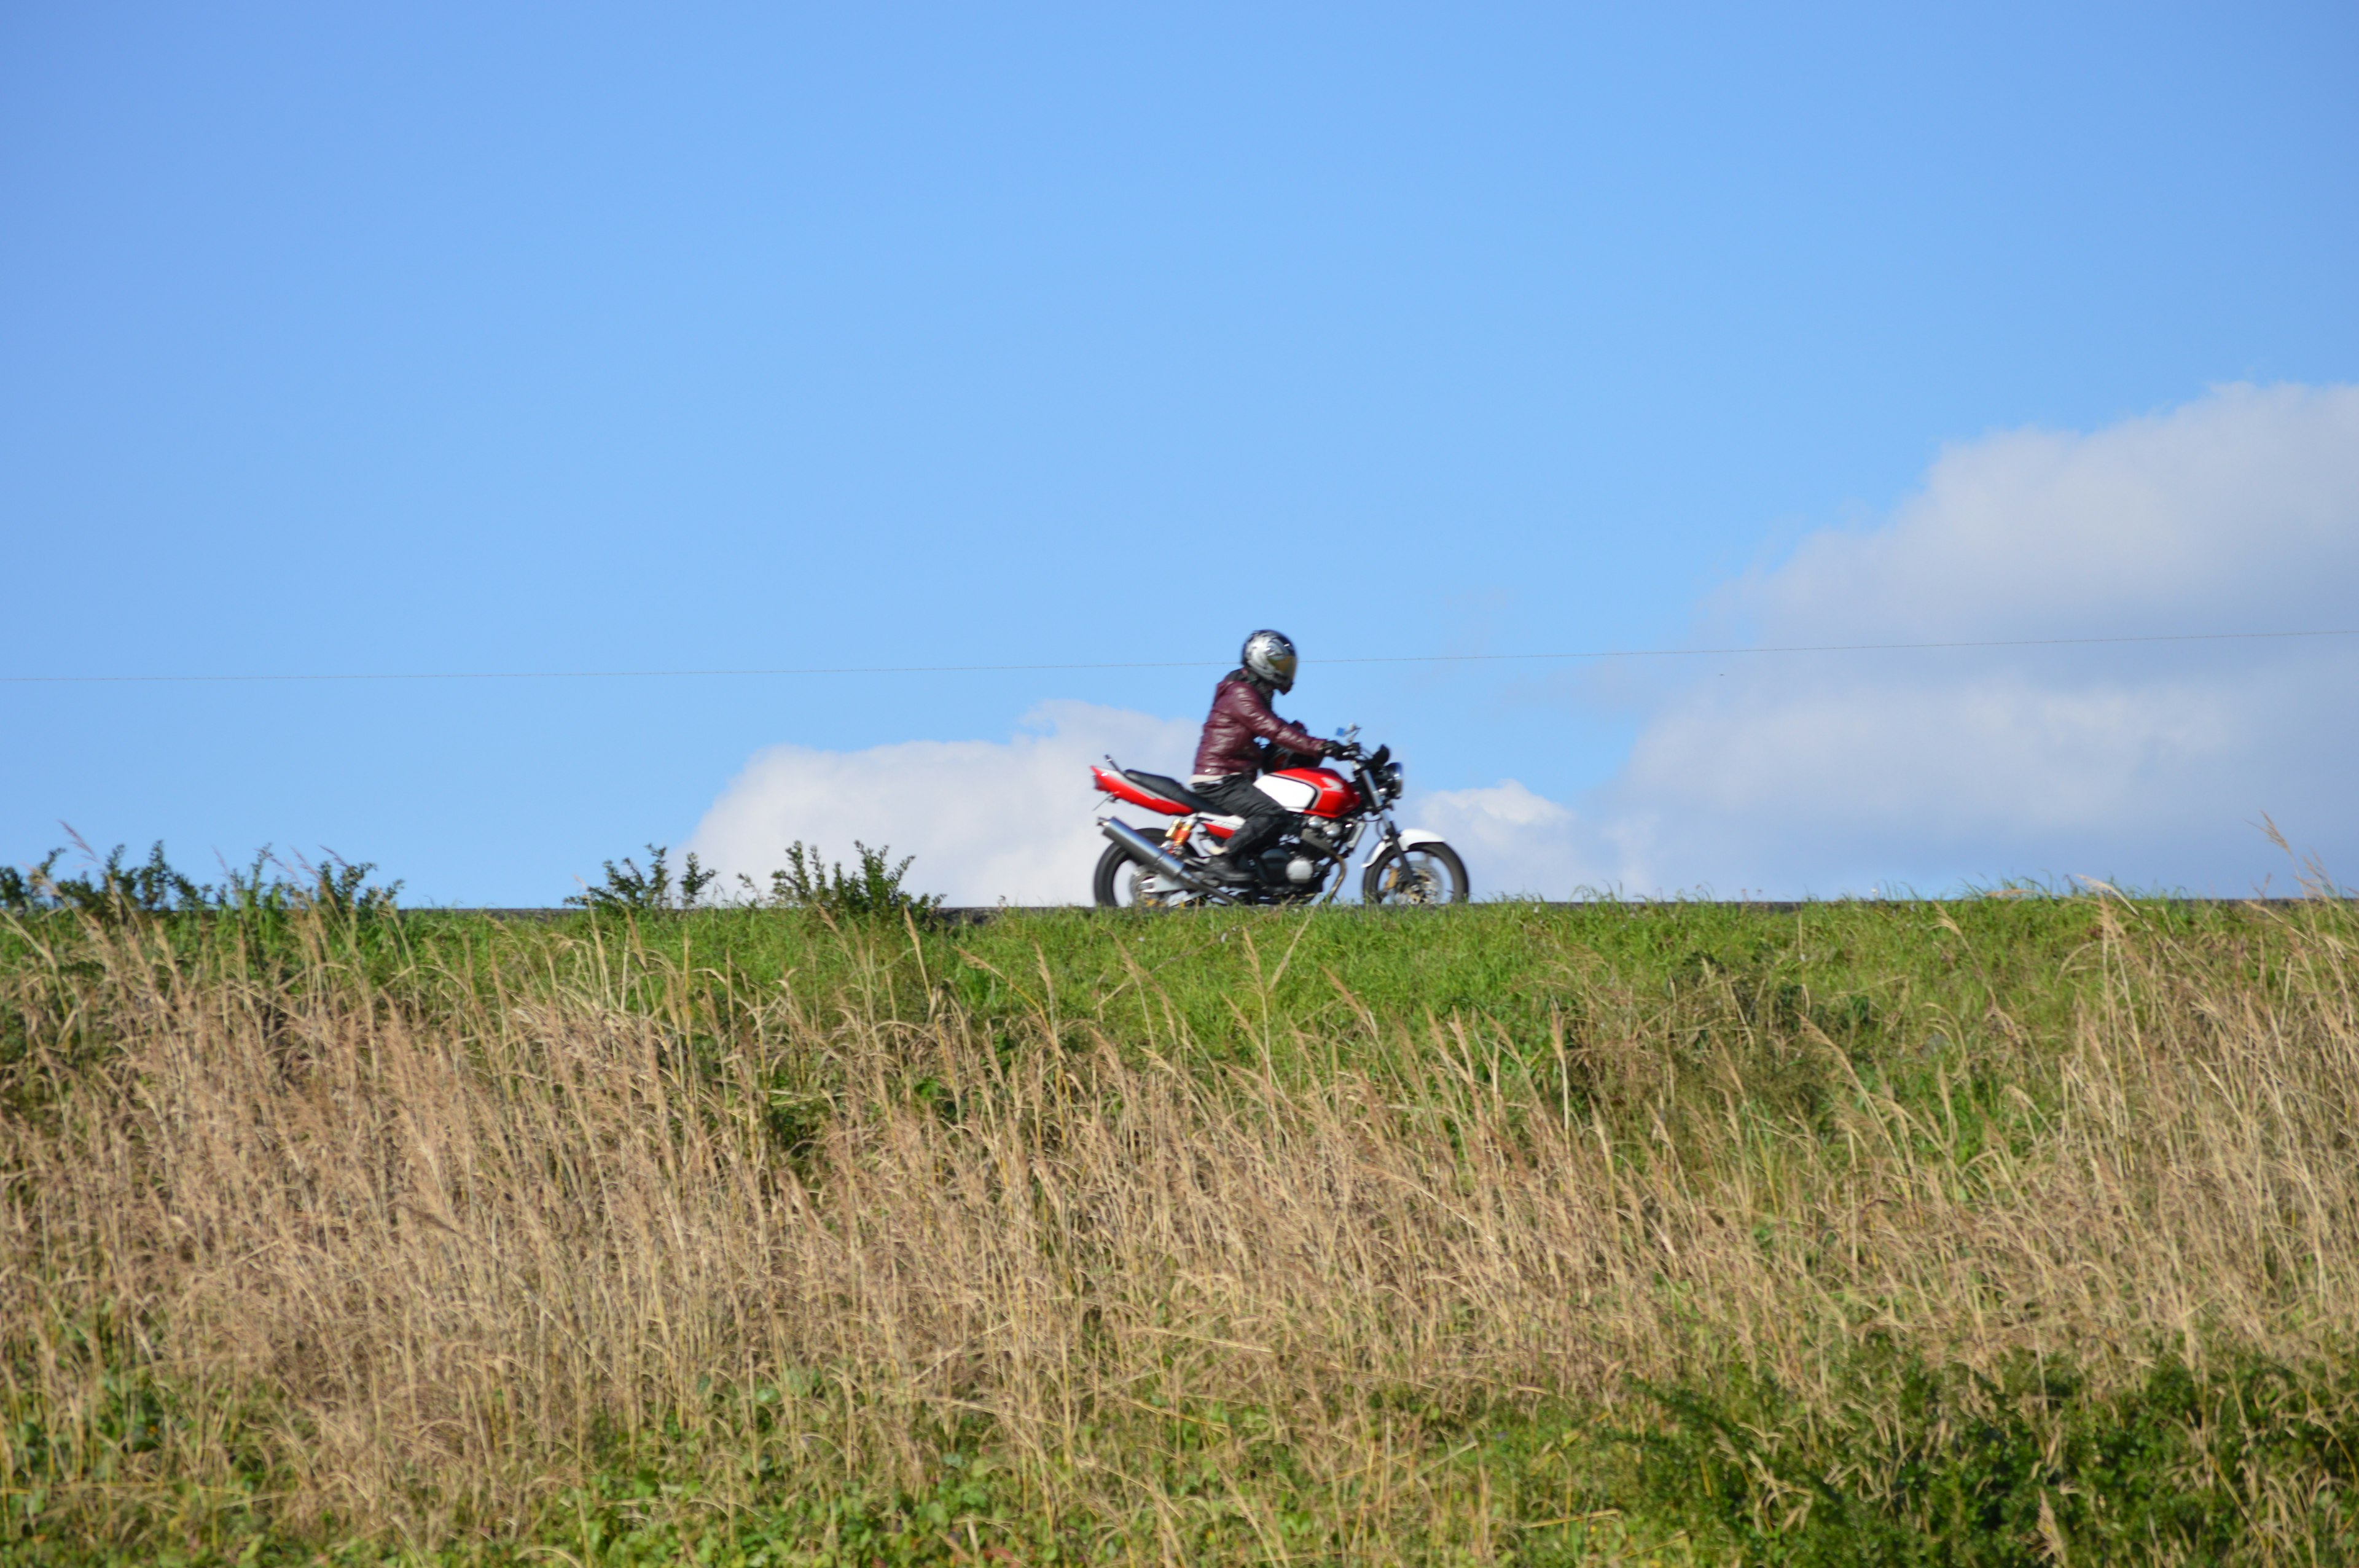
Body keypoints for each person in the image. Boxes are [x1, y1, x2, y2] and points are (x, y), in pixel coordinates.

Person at [1189, 630, 1346, 885]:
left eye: (1288, 665)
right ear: (1262, 660)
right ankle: (1222, 860)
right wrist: (1321, 747)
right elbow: (1274, 730)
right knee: (1272, 815)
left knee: (1283, 819)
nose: (1286, 670)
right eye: (1280, 663)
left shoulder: (1253, 691)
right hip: (1220, 778)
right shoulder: (1242, 694)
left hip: (1233, 777)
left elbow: (1276, 729)